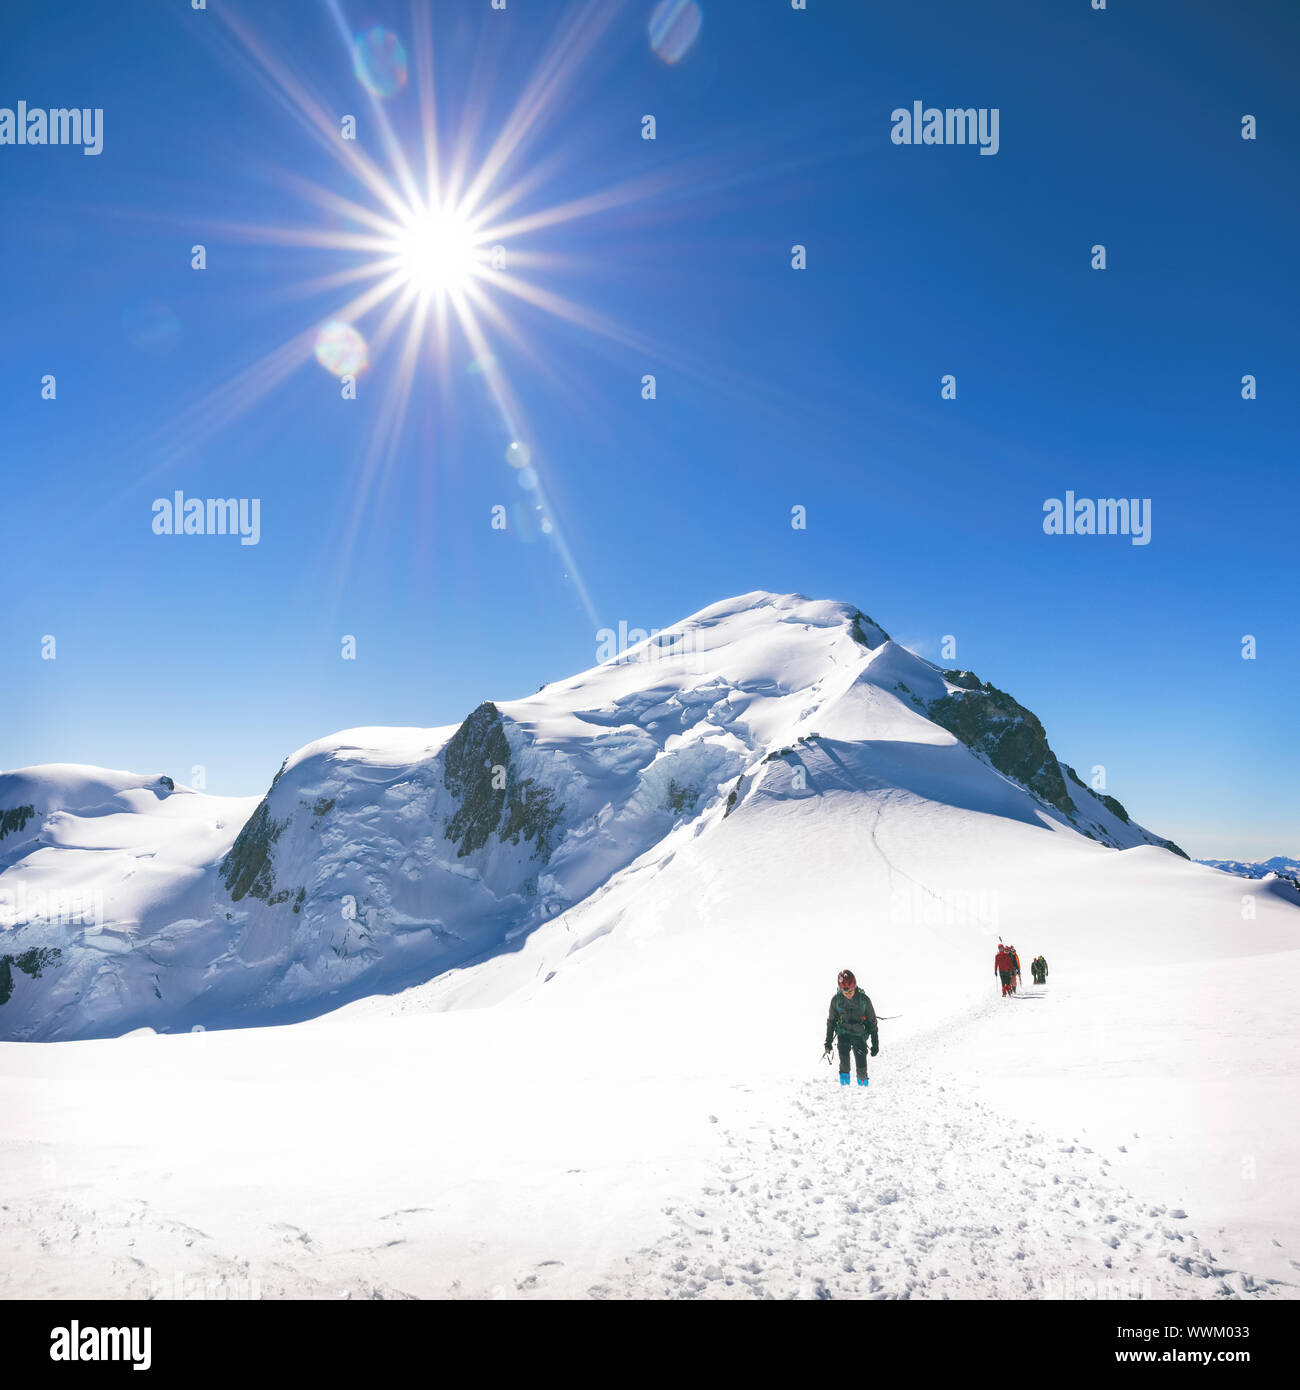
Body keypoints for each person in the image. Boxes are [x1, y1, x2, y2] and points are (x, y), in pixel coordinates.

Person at [823, 969, 878, 1087]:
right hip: (843, 1034)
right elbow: (831, 1022)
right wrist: (828, 1042)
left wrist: (875, 1044)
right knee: (844, 1066)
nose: (848, 994)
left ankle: (864, 1089)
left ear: (855, 986)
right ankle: (844, 1089)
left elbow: (873, 1022)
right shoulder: (836, 1001)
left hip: (859, 1035)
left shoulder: (864, 1000)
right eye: (845, 991)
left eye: (851, 991)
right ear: (840, 989)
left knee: (862, 1070)